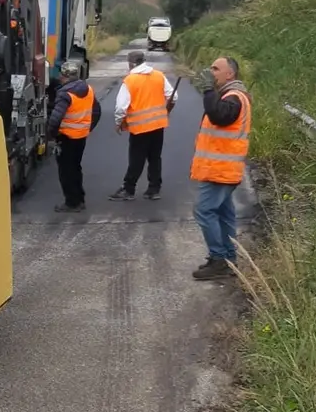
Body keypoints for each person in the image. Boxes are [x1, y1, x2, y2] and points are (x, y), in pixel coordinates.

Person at [190, 56, 252, 280]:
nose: (211, 72)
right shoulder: (230, 95)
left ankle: (219, 260)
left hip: (221, 170)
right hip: (222, 169)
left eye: (216, 69)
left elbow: (218, 116)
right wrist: (210, 92)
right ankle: (228, 259)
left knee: (204, 211)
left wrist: (208, 90)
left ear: (230, 74)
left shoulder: (234, 97)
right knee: (224, 213)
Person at [109, 50, 177, 201]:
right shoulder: (158, 75)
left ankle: (128, 189)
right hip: (158, 125)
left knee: (136, 158)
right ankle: (154, 189)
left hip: (139, 128)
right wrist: (167, 110)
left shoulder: (130, 80)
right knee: (155, 158)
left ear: (131, 63)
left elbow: (121, 107)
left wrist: (119, 123)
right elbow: (173, 96)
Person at [45, 60, 101, 212]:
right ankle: (79, 199)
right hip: (81, 136)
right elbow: (96, 111)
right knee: (76, 167)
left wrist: (52, 135)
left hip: (66, 138)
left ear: (63, 76)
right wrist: (87, 127)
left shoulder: (65, 93)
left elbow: (55, 118)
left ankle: (71, 203)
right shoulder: (88, 89)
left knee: (66, 171)